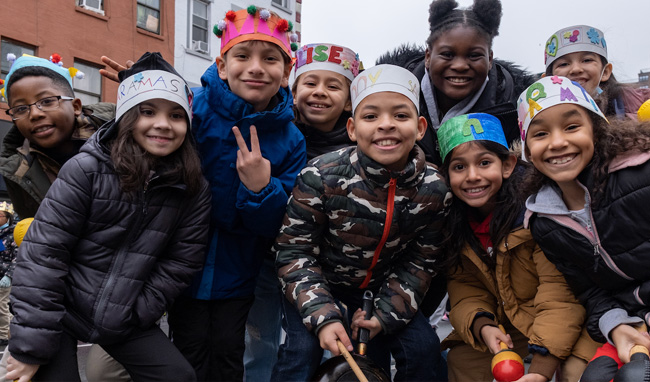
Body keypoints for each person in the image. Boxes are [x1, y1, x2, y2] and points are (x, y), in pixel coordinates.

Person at [4, 52, 211, 382]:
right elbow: (43, 256)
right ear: (127, 118)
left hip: (123, 311)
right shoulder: (87, 169)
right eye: (147, 112)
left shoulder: (193, 187)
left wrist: (139, 309)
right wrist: (29, 350)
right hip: (62, 306)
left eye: (176, 115)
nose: (162, 123)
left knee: (177, 375)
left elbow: (181, 261)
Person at [274, 64, 451, 381]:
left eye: (400, 116)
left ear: (421, 126)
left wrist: (384, 315)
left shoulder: (435, 188)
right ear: (353, 128)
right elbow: (294, 252)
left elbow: (422, 260)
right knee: (302, 353)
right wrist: (324, 316)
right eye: (371, 117)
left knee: (423, 350)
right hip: (319, 285)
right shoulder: (320, 175)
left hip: (385, 290)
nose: (386, 125)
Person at [164, 6, 307, 382]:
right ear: (222, 66)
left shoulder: (291, 139)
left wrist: (261, 188)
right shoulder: (193, 109)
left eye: (270, 58)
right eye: (242, 56)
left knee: (231, 355)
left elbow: (276, 224)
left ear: (286, 70)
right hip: (182, 263)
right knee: (187, 352)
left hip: (240, 270)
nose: (256, 68)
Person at [435, 113, 599, 382]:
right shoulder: (455, 223)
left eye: (485, 163)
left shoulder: (536, 215)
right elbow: (464, 287)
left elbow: (560, 296)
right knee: (463, 360)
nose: (472, 176)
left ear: (508, 165)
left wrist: (540, 369)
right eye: (459, 167)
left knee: (573, 373)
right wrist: (483, 325)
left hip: (568, 325)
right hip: (512, 328)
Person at [243, 42, 362, 381]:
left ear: (350, 99)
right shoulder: (276, 131)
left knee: (320, 345)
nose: (319, 93)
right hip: (271, 256)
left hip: (332, 266)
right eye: (310, 83)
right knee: (261, 341)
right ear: (293, 91)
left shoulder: (361, 146)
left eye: (333, 85)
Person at [519, 76, 650, 381]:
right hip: (630, 320)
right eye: (540, 133)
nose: (557, 142)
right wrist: (617, 326)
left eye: (571, 127)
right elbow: (588, 290)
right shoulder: (543, 221)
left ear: (596, 128)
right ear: (527, 148)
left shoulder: (641, 174)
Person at [376, 0, 535, 166]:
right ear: (428, 56)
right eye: (447, 54)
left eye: (474, 55)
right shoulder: (387, 94)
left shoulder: (519, 111)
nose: (460, 66)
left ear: (489, 59)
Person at [0, 54, 114, 220]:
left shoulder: (120, 130)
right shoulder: (16, 171)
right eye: (21, 109)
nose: (35, 114)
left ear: (76, 106)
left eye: (47, 101)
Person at [543, 25, 650, 120]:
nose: (575, 69)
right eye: (564, 64)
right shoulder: (539, 117)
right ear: (548, 80)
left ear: (605, 72)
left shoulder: (639, 104)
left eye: (587, 60)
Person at [0, 202, 17, 348]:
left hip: (4, 276)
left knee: (1, 306)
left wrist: (9, 276)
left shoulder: (13, 234)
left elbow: (17, 257)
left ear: (8, 218)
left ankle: (4, 335)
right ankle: (15, 326)